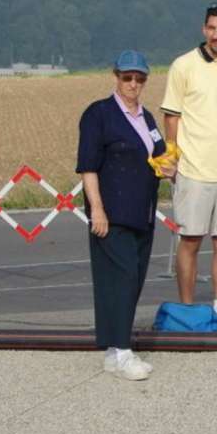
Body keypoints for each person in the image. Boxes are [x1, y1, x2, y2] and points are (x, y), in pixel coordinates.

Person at [77, 50, 172, 380]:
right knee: (121, 278)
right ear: (116, 76)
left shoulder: (146, 118)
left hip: (142, 212)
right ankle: (124, 350)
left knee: (132, 280)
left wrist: (168, 168)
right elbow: (88, 166)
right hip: (112, 212)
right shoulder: (99, 114)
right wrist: (97, 209)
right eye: (127, 77)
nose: (133, 84)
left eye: (139, 78)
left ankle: (114, 350)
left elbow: (158, 157)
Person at [161, 3, 217, 332]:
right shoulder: (183, 66)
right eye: (211, 28)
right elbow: (172, 114)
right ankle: (186, 311)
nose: (216, 35)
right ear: (203, 30)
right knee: (191, 240)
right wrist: (172, 154)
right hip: (194, 169)